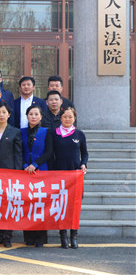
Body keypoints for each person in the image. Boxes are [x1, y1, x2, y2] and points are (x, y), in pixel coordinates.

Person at [0, 102, 23, 248]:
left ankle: (8, 236)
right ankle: (0, 234)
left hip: (10, 173)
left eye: (4, 112)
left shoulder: (15, 132)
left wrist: (18, 172)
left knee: (8, 205)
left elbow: (18, 153)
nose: (1, 115)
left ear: (9, 115)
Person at [50, 107, 88, 249]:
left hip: (75, 176)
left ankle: (74, 235)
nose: (67, 119)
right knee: (61, 206)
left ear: (74, 118)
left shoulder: (79, 134)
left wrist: (83, 164)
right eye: (65, 116)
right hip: (59, 175)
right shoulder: (54, 133)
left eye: (70, 117)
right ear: (60, 118)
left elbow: (85, 153)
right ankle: (63, 236)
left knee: (74, 207)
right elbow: (50, 153)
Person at [21, 105, 52, 247]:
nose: (33, 117)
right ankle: (28, 237)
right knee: (27, 204)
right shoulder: (21, 132)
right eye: (31, 114)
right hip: (24, 172)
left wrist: (35, 164)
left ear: (41, 117)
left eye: (36, 114)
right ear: (27, 116)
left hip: (41, 171)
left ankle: (40, 237)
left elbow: (49, 152)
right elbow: (18, 151)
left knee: (40, 204)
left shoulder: (46, 132)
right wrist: (24, 165)